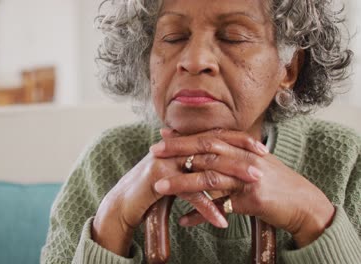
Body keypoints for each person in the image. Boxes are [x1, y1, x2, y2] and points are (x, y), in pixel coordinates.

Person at [41, 0, 361, 263]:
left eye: (233, 37)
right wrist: (112, 221)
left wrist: (313, 217)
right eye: (173, 37)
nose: (194, 61)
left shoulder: (348, 160)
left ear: (288, 68)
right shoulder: (106, 161)